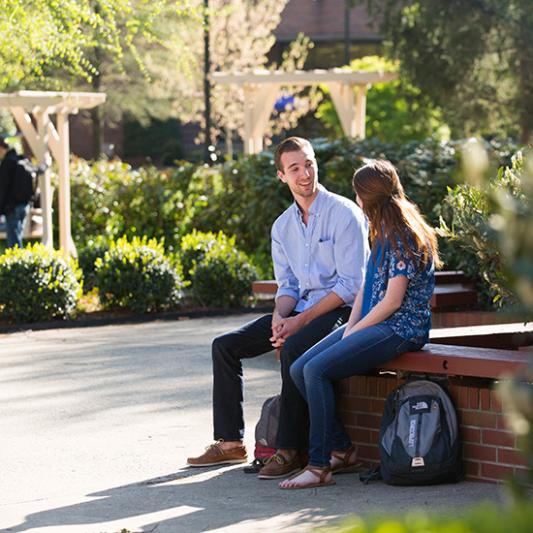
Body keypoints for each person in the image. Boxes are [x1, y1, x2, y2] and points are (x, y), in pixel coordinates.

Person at [187, 137, 369, 479]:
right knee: (224, 346)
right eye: (295, 168)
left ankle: (288, 449)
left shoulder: (345, 214)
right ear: (281, 175)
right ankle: (230, 444)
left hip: (343, 312)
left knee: (294, 348)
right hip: (301, 310)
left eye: (309, 164)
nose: (305, 174)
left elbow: (351, 286)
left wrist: (297, 324)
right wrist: (279, 318)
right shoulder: (282, 227)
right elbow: (288, 286)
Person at [280, 159, 442, 489]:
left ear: (367, 197)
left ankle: (319, 465)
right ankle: (342, 449)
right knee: (300, 368)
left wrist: (356, 331)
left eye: (357, 193)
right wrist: (351, 326)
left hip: (400, 328)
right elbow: (367, 290)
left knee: (315, 371)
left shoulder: (404, 236)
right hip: (373, 320)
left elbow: (393, 302)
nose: (355, 200)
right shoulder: (381, 231)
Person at [0, 136, 30, 248]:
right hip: (24, 205)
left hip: (11, 207)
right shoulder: (20, 159)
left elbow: (3, 187)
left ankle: (17, 264)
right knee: (18, 237)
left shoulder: (7, 162)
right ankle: (19, 262)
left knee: (14, 242)